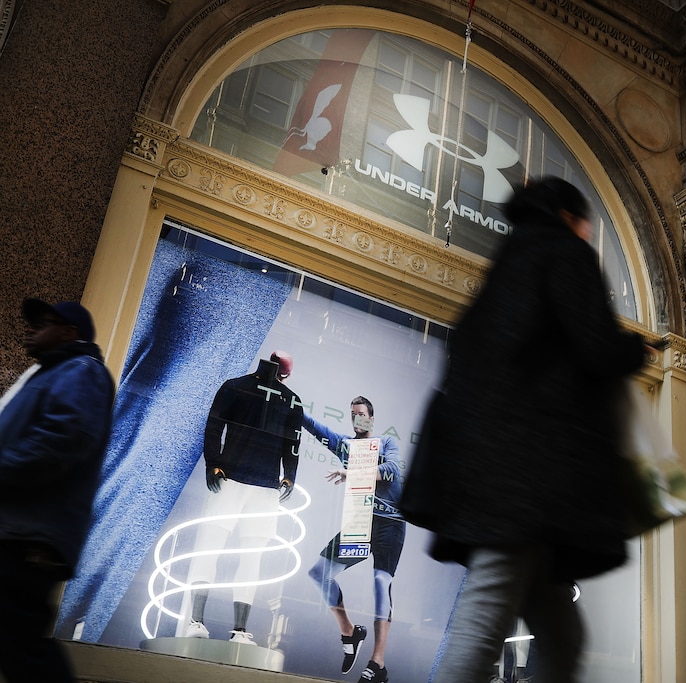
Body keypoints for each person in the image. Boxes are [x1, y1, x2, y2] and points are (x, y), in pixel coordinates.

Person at [400, 177, 649, 683]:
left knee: (563, 639)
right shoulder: (565, 254)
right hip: (529, 484)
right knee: (485, 619)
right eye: (585, 224)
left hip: (494, 479)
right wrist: (636, 350)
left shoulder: (504, 270)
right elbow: (598, 346)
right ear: (568, 217)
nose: (587, 233)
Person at [0, 298, 115, 682]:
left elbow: (62, 440)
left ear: (69, 333)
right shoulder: (51, 373)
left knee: (20, 643)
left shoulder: (80, 371)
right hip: (19, 531)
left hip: (28, 538)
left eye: (43, 323)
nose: (31, 329)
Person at [183, 351, 302, 645]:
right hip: (240, 481)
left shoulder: (244, 388)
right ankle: (202, 622)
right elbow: (214, 426)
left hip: (255, 484)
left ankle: (227, 627)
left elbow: (291, 443)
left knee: (238, 555)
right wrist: (213, 463)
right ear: (286, 374)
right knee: (226, 553)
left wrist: (289, 474)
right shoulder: (244, 388)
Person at [304, 396, 403, 683]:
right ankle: (349, 631)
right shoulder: (345, 445)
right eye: (352, 414)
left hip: (390, 522)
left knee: (381, 582)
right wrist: (290, 403)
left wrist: (354, 473)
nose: (356, 418)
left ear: (371, 418)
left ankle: (377, 663)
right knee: (318, 573)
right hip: (361, 521)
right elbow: (314, 427)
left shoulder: (386, 443)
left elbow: (393, 470)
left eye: (361, 413)